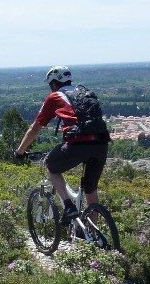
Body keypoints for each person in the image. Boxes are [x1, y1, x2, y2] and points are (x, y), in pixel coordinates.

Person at [14, 65, 110, 221]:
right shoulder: (85, 93)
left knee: (50, 164)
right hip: (101, 143)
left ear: (53, 83)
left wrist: (19, 151)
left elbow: (35, 129)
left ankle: (68, 206)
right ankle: (92, 234)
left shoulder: (55, 96)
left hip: (78, 143)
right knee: (90, 190)